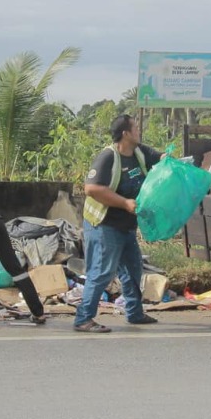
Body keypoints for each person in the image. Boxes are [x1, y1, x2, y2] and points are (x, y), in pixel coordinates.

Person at [73, 113, 162, 334]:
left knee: (133, 270)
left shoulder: (140, 153)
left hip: (126, 226)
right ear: (126, 133)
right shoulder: (108, 157)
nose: (139, 130)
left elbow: (162, 160)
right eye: (136, 127)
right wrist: (124, 203)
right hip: (103, 225)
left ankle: (134, 312)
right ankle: (83, 319)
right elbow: (92, 189)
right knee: (101, 272)